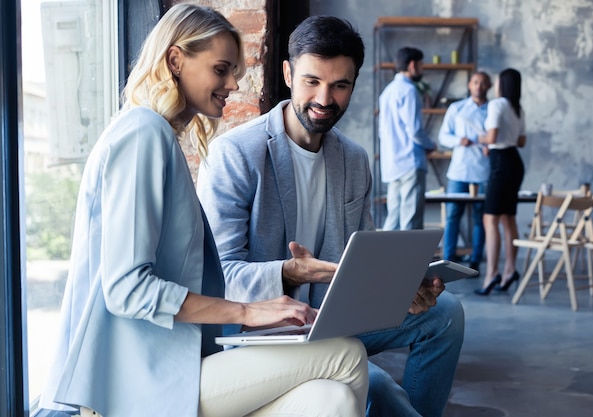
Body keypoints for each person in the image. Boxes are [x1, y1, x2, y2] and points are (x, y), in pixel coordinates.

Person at [37, 5, 369, 417]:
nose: (232, 83)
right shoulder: (143, 133)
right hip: (134, 382)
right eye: (221, 68)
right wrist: (248, 310)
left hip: (179, 362)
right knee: (346, 354)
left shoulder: (158, 139)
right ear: (176, 60)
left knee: (329, 400)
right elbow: (127, 288)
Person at [197, 16, 464, 417]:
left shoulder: (354, 160)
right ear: (288, 73)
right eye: (312, 81)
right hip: (265, 331)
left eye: (340, 85)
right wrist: (290, 272)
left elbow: (360, 262)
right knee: (390, 400)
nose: (325, 98)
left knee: (446, 313)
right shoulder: (236, 154)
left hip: (333, 319)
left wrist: (399, 287)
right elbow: (220, 280)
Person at [475, 68, 526, 295]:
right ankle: (509, 270)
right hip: (515, 161)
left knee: (490, 219)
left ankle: (491, 274)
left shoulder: (497, 105)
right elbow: (521, 141)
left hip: (501, 164)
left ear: (502, 85)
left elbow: (492, 137)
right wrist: (496, 143)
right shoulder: (518, 108)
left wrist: (481, 139)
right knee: (508, 219)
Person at [438, 72, 492, 273]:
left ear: (489, 86)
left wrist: (491, 144)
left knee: (481, 218)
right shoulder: (457, 108)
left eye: (483, 82)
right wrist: (458, 141)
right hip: (459, 171)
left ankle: (476, 260)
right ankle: (447, 260)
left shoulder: (493, 110)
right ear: (470, 85)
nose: (479, 86)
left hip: (483, 171)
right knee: (453, 216)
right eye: (476, 82)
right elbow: (443, 135)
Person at [378, 47, 437, 231]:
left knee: (393, 221)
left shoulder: (387, 91)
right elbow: (415, 131)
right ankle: (410, 261)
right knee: (411, 221)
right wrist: (431, 145)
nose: (422, 69)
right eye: (421, 65)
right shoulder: (409, 90)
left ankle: (383, 260)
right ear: (412, 65)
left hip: (392, 163)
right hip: (410, 161)